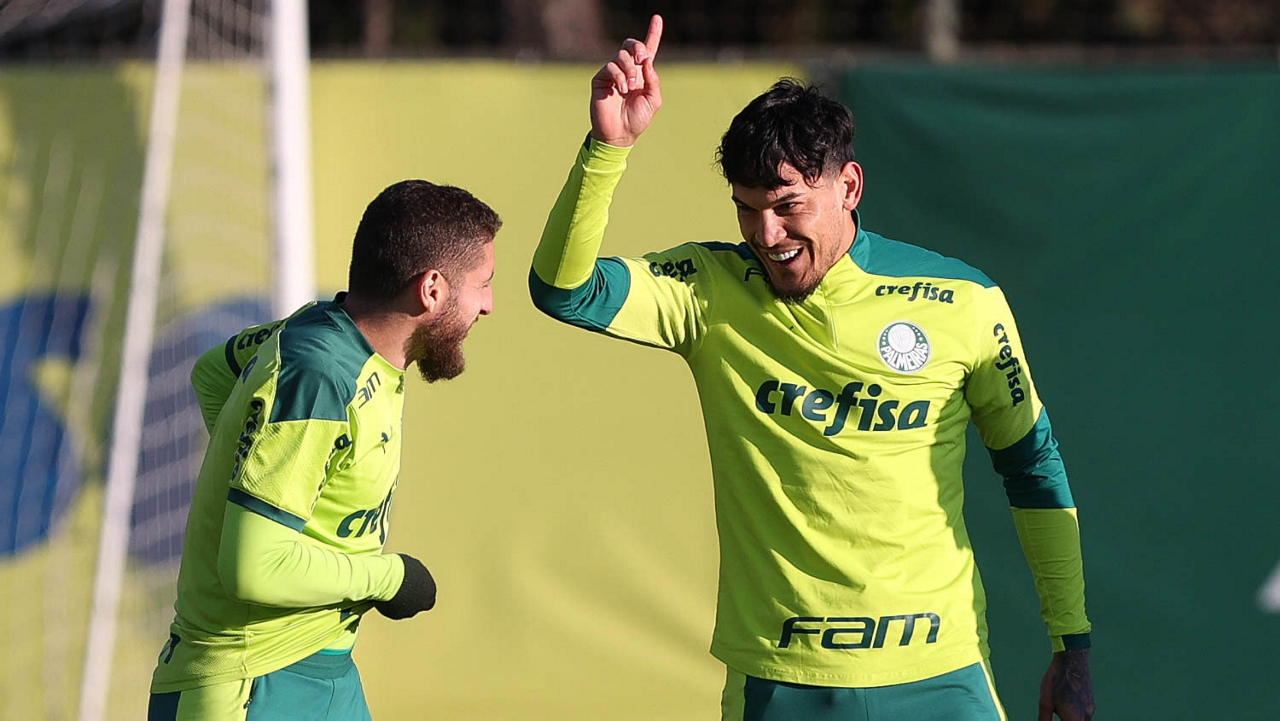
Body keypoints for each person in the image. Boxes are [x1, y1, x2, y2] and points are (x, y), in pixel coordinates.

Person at [530, 15, 1093, 721]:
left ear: (849, 186)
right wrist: (607, 149)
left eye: (788, 205)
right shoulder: (708, 289)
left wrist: (1071, 643)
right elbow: (563, 290)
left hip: (941, 676)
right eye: (747, 210)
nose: (767, 235)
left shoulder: (964, 300)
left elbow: (1032, 467)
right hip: (779, 681)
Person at [149, 180, 500, 720]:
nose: (489, 306)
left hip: (327, 667)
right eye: (483, 285)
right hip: (248, 684)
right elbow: (254, 568)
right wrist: (390, 578)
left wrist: (261, 467)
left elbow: (214, 371)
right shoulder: (320, 373)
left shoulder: (329, 331)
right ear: (431, 289)